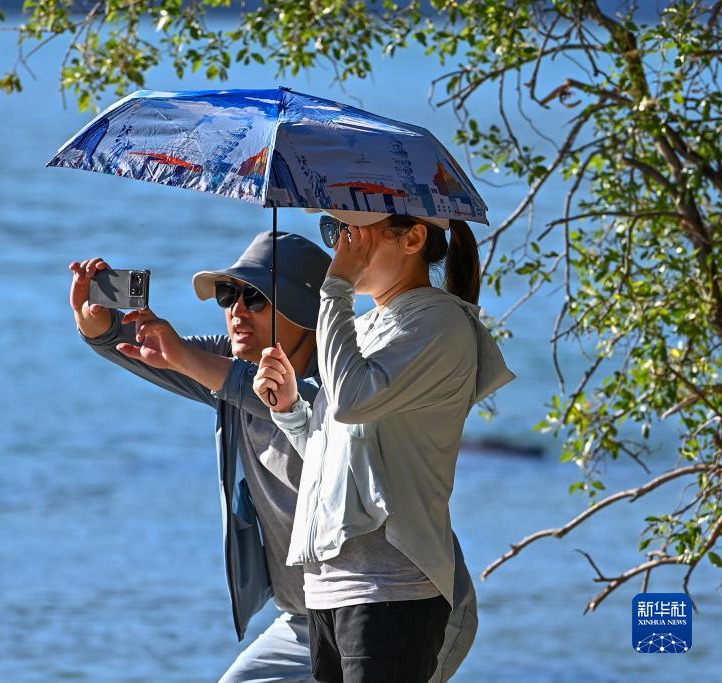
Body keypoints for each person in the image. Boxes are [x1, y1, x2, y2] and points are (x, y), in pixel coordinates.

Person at [69, 230, 479, 682]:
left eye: (255, 298)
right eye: (227, 296)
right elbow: (157, 353)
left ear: (305, 310)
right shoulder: (226, 367)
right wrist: (99, 326)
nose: (236, 311)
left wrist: (187, 358)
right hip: (311, 612)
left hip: (401, 602)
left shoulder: (346, 379)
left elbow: (310, 406)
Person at [252, 210, 517, 682]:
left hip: (390, 588)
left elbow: (351, 402)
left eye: (351, 233)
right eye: (333, 232)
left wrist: (335, 290)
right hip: (330, 590)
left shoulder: (438, 323)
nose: (339, 248)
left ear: (413, 239)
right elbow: (335, 461)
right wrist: (291, 409)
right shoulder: (369, 325)